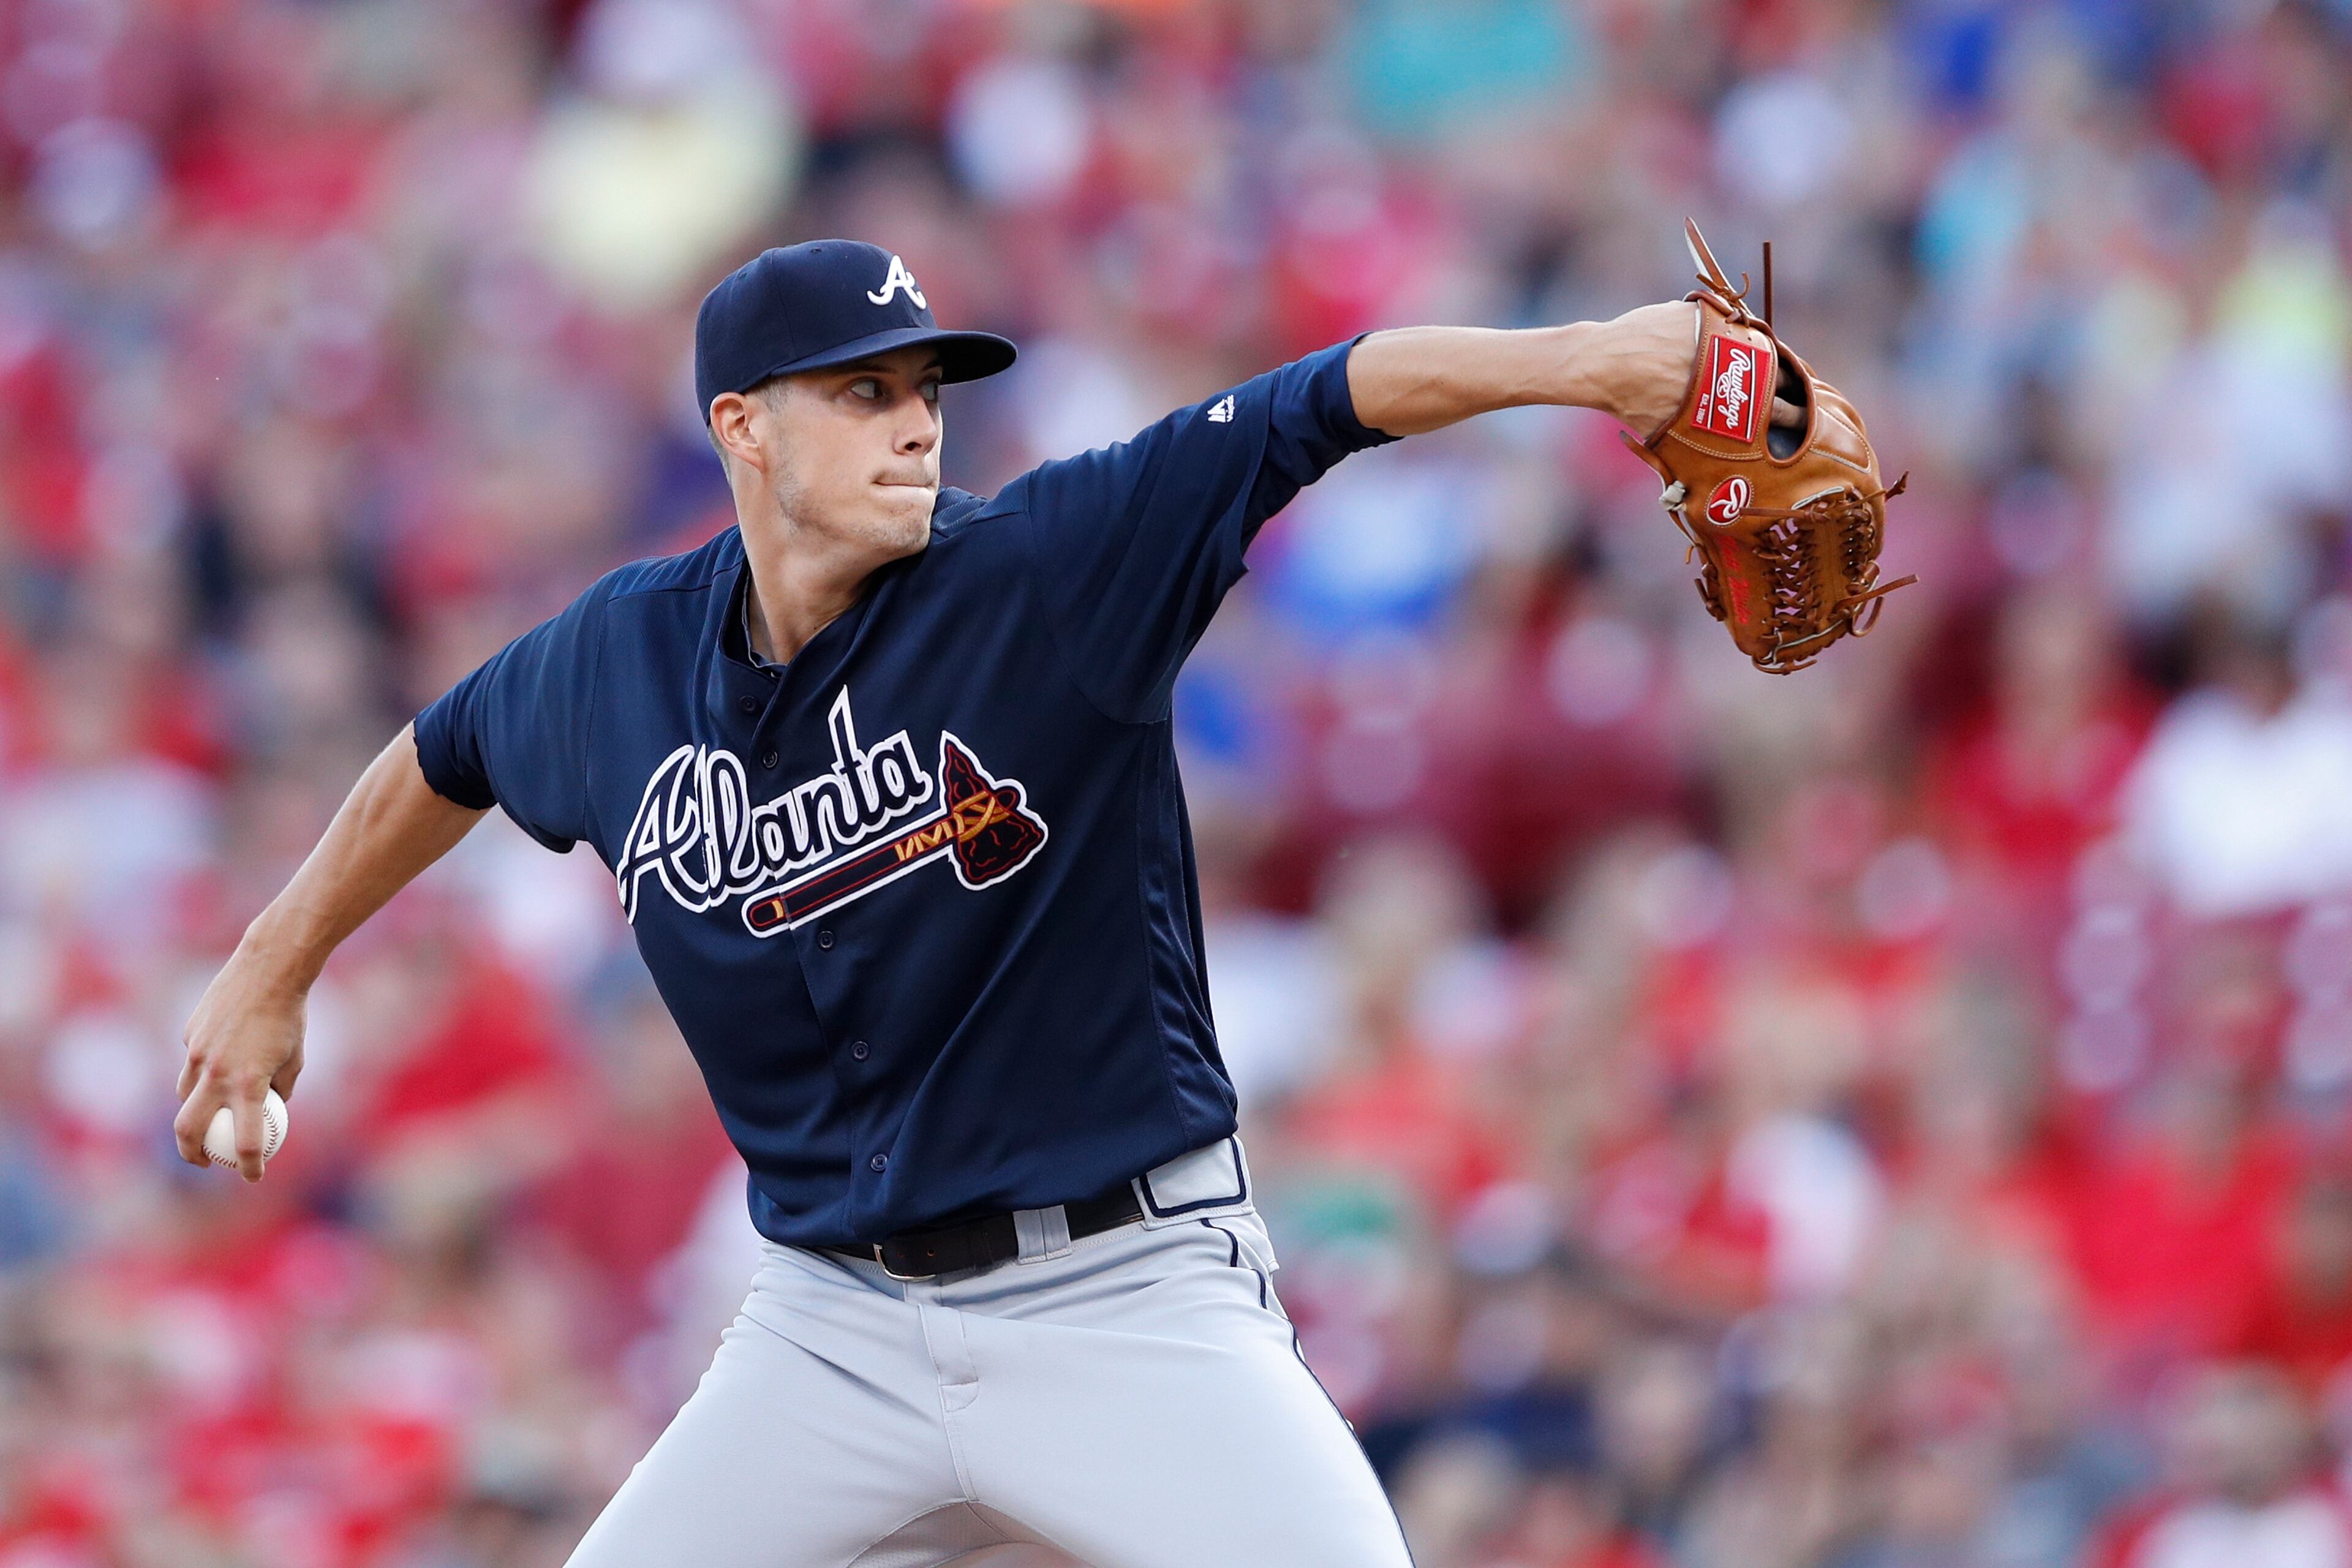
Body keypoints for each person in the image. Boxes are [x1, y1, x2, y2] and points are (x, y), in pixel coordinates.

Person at [174, 238, 1708, 1567]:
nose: (916, 427)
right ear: (743, 429)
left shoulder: (1046, 569)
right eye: (865, 394)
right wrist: (270, 965)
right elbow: (441, 756)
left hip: (1123, 1294)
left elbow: (1327, 395)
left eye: (926, 391)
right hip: (830, 1328)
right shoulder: (618, 662)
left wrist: (1593, 361)